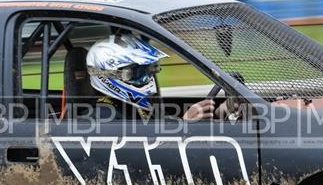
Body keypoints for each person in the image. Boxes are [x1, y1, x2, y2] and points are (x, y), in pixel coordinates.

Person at [85, 33, 230, 121]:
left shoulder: (139, 106)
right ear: (109, 75)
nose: (147, 79)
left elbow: (163, 126)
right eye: (138, 73)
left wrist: (220, 113)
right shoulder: (101, 116)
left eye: (148, 71)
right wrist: (184, 125)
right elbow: (137, 153)